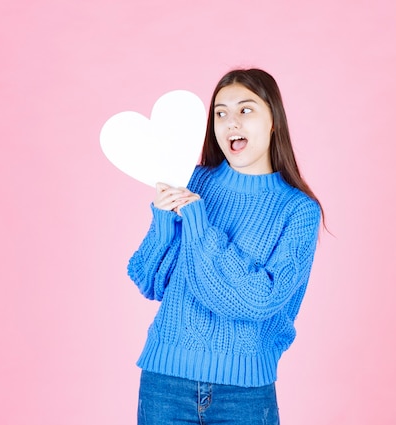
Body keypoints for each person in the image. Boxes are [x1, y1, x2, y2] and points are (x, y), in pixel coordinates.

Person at [127, 68, 324, 424]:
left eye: (246, 110)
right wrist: (161, 219)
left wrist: (199, 225)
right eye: (221, 113)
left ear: (273, 121)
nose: (231, 122)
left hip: (245, 394)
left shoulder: (298, 211)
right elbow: (149, 280)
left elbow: (259, 300)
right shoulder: (193, 180)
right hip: (165, 382)